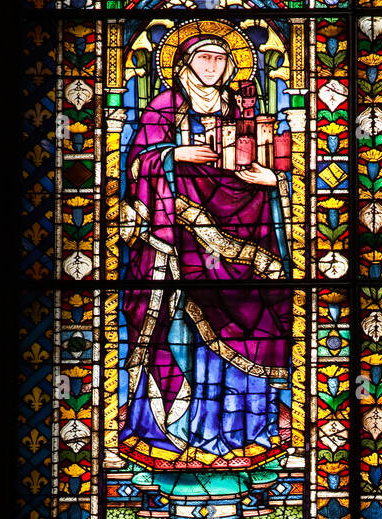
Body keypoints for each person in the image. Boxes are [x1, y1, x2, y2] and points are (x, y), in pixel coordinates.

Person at [118, 30, 291, 483]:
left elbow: (271, 164)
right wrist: (174, 154)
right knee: (176, 328)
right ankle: (175, 433)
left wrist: (270, 181)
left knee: (244, 328)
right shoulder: (163, 108)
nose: (212, 66)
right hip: (176, 240)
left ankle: (240, 431)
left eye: (220, 58)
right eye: (204, 58)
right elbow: (137, 164)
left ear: (231, 67)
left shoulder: (243, 111)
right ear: (185, 65)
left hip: (242, 235)